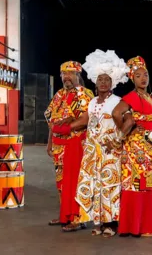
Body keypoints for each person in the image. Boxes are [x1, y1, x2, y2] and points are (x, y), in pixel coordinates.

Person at [62, 49, 129, 237]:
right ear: (95, 82)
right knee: (95, 185)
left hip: (110, 151)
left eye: (107, 79)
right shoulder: (91, 102)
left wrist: (117, 140)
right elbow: (84, 120)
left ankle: (111, 223)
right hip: (92, 151)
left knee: (110, 186)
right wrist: (64, 128)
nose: (103, 82)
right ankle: (98, 221)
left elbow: (127, 124)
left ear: (113, 82)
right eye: (100, 79)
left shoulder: (118, 101)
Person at [112, 56, 152, 237]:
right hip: (137, 147)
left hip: (151, 143)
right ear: (133, 78)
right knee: (137, 185)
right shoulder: (131, 97)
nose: (143, 78)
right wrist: (127, 131)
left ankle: (146, 224)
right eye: (139, 75)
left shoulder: (149, 97)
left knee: (148, 183)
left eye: (146, 75)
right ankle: (135, 226)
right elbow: (116, 113)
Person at [44, 60, 94, 232]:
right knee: (61, 184)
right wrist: (50, 142)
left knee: (76, 183)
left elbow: (86, 121)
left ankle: (78, 218)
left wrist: (67, 126)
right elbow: (52, 120)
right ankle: (65, 214)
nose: (66, 77)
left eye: (70, 73)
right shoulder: (58, 95)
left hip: (76, 145)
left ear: (78, 75)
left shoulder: (84, 95)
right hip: (59, 147)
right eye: (63, 74)